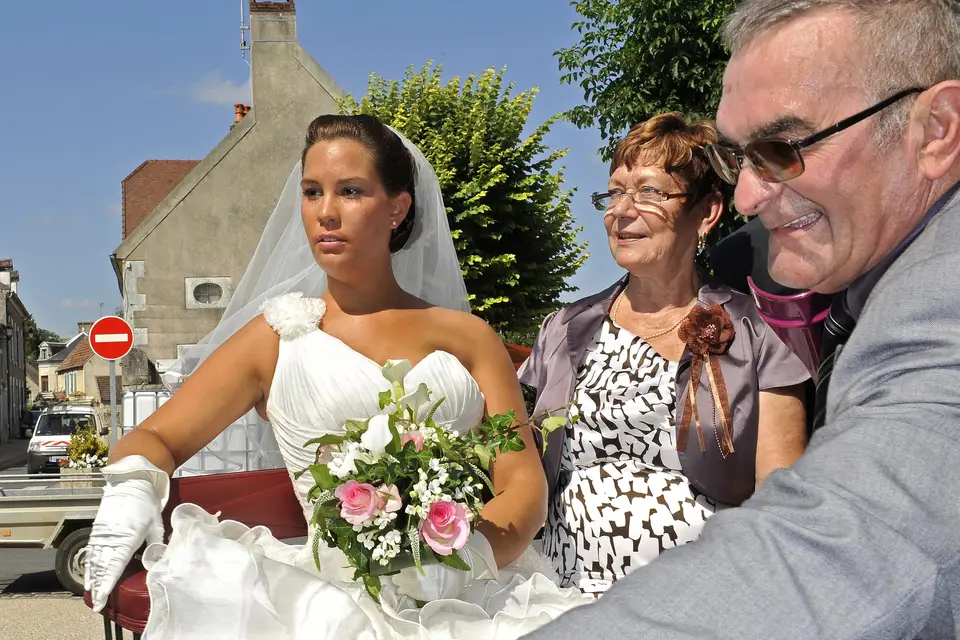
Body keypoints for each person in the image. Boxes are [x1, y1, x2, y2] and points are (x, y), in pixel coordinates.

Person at [522, 0, 960, 638]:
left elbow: (841, 551)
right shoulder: (568, 325)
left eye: (784, 148)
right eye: (741, 159)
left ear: (938, 129)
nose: (749, 197)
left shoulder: (938, 296)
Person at [83, 114, 590, 639]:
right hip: (330, 605)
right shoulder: (276, 335)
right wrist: (130, 490)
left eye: (350, 191)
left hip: (473, 599)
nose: (325, 212)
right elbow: (159, 434)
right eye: (311, 192)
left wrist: (469, 556)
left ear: (397, 207)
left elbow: (522, 480)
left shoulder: (469, 337)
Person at [518, 113, 810, 596]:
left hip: (699, 599)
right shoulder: (564, 328)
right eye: (614, 192)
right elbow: (523, 468)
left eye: (650, 192)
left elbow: (783, 503)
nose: (621, 211)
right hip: (557, 591)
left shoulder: (758, 334)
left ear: (708, 212)